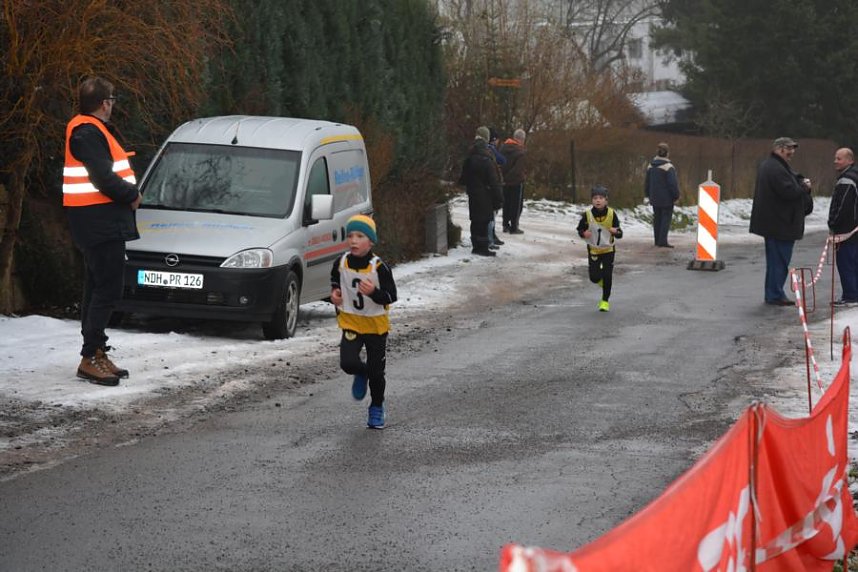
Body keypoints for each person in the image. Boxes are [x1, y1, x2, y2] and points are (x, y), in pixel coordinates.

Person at [63, 77, 142, 386]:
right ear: (105, 103)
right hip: (99, 221)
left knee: (97, 286)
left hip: (98, 219)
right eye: (111, 100)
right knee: (107, 288)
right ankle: (89, 357)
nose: (112, 105)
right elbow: (103, 178)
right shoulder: (87, 132)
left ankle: (95, 350)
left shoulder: (88, 130)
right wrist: (131, 195)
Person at [330, 215, 397, 429]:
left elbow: (391, 296)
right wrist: (335, 295)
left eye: (359, 236)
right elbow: (335, 283)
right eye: (350, 236)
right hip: (351, 322)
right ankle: (361, 371)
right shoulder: (340, 263)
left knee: (377, 373)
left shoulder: (379, 267)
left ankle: (376, 406)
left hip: (375, 327)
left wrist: (375, 293)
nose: (353, 241)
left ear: (371, 241)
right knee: (347, 362)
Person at [749, 137, 814, 306]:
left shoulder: (773, 165)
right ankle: (775, 294)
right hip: (780, 224)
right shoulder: (775, 168)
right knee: (779, 261)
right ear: (779, 149)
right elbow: (789, 192)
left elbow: (791, 179)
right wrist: (804, 188)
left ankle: (773, 293)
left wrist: (799, 181)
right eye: (789, 148)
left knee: (775, 261)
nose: (792, 152)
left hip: (775, 223)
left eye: (793, 148)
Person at [458, 126, 503, 256]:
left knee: (476, 220)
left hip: (473, 192)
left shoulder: (470, 154)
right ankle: (482, 247)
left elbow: (463, 177)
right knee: (484, 220)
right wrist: (499, 197)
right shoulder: (487, 157)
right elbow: (493, 180)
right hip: (485, 193)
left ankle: (476, 245)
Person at [577, 185, 623, 312]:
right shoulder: (587, 215)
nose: (598, 200)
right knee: (594, 278)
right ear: (592, 200)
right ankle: (602, 281)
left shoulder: (612, 214)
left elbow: (620, 233)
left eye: (601, 198)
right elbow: (579, 229)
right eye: (595, 198)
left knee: (608, 275)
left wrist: (616, 232)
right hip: (594, 250)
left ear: (606, 200)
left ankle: (605, 301)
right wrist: (583, 233)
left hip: (608, 250)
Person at [828, 148, 858, 306]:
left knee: (846, 263)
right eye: (835, 158)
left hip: (846, 230)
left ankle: (850, 296)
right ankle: (854, 294)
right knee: (854, 262)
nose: (835, 161)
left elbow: (843, 206)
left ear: (850, 160)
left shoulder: (847, 180)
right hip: (854, 229)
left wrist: (833, 223)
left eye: (839, 159)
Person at [644, 142, 680, 248]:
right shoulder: (669, 167)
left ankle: (657, 240)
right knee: (665, 219)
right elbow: (672, 184)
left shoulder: (650, 166)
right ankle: (662, 241)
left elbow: (647, 182)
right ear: (667, 153)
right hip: (667, 199)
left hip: (654, 197)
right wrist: (676, 196)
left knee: (657, 218)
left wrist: (647, 195)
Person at [500, 128, 527, 234]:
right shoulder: (520, 152)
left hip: (504, 182)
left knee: (506, 203)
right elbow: (518, 169)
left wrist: (504, 177)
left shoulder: (503, 148)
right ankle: (514, 226)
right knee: (516, 205)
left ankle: (505, 225)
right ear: (521, 139)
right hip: (516, 182)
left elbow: (500, 164)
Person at [487, 127, 506, 250]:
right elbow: (502, 160)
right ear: (494, 139)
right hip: (492, 185)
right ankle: (490, 237)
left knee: (490, 213)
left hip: (488, 186)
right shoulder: (491, 150)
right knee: (491, 213)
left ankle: (491, 236)